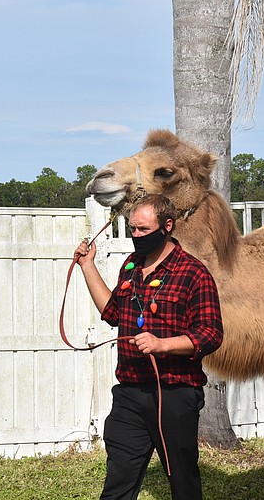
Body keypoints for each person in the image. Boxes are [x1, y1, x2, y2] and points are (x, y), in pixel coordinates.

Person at [74, 193, 223, 500]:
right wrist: (88, 266)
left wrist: (163, 345)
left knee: (182, 481)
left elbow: (210, 334)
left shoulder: (193, 273)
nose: (136, 236)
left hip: (174, 394)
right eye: (133, 229)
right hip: (129, 393)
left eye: (143, 230)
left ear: (167, 226)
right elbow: (113, 312)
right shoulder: (131, 266)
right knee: (118, 481)